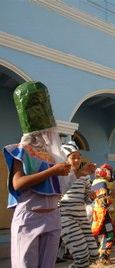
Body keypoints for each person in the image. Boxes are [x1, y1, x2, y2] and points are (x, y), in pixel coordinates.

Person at [3, 81, 71, 268]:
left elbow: (59, 186)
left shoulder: (52, 155)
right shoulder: (21, 151)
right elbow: (17, 183)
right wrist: (52, 171)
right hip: (30, 217)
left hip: (52, 216)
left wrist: (77, 172)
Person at [59, 141, 99, 267]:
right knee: (81, 256)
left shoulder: (85, 177)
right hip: (65, 217)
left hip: (82, 218)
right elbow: (56, 194)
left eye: (79, 156)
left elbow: (86, 199)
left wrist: (91, 197)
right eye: (73, 157)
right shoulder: (60, 175)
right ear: (65, 158)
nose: (77, 160)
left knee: (94, 254)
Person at [91, 164, 115, 265]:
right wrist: (112, 195)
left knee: (103, 235)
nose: (110, 174)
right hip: (103, 214)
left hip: (98, 213)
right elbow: (104, 202)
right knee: (110, 234)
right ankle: (103, 257)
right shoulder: (102, 183)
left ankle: (102, 256)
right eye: (108, 171)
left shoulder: (96, 182)